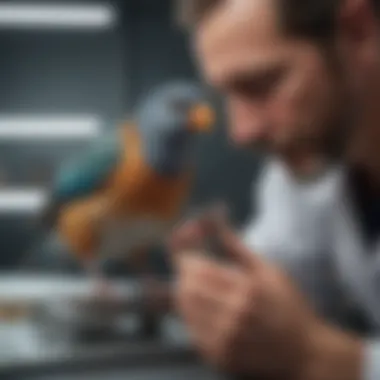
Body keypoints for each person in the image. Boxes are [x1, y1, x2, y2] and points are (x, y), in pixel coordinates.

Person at [168, 0, 380, 379]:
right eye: (227, 95)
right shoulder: (311, 169)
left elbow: (300, 345)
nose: (241, 132)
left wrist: (321, 357)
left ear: (358, 32)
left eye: (261, 85)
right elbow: (277, 288)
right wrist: (220, 283)